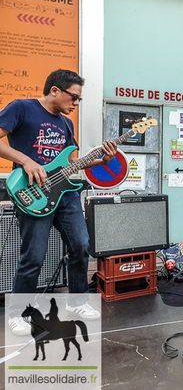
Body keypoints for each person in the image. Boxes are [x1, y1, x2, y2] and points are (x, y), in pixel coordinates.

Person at [0, 69, 117, 335]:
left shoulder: (67, 125)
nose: (76, 103)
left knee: (81, 244)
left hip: (65, 194)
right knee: (34, 256)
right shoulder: (22, 108)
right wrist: (26, 160)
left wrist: (101, 160)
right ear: (55, 90)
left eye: (79, 99)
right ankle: (18, 314)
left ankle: (77, 302)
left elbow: (71, 163)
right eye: (73, 97)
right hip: (32, 192)